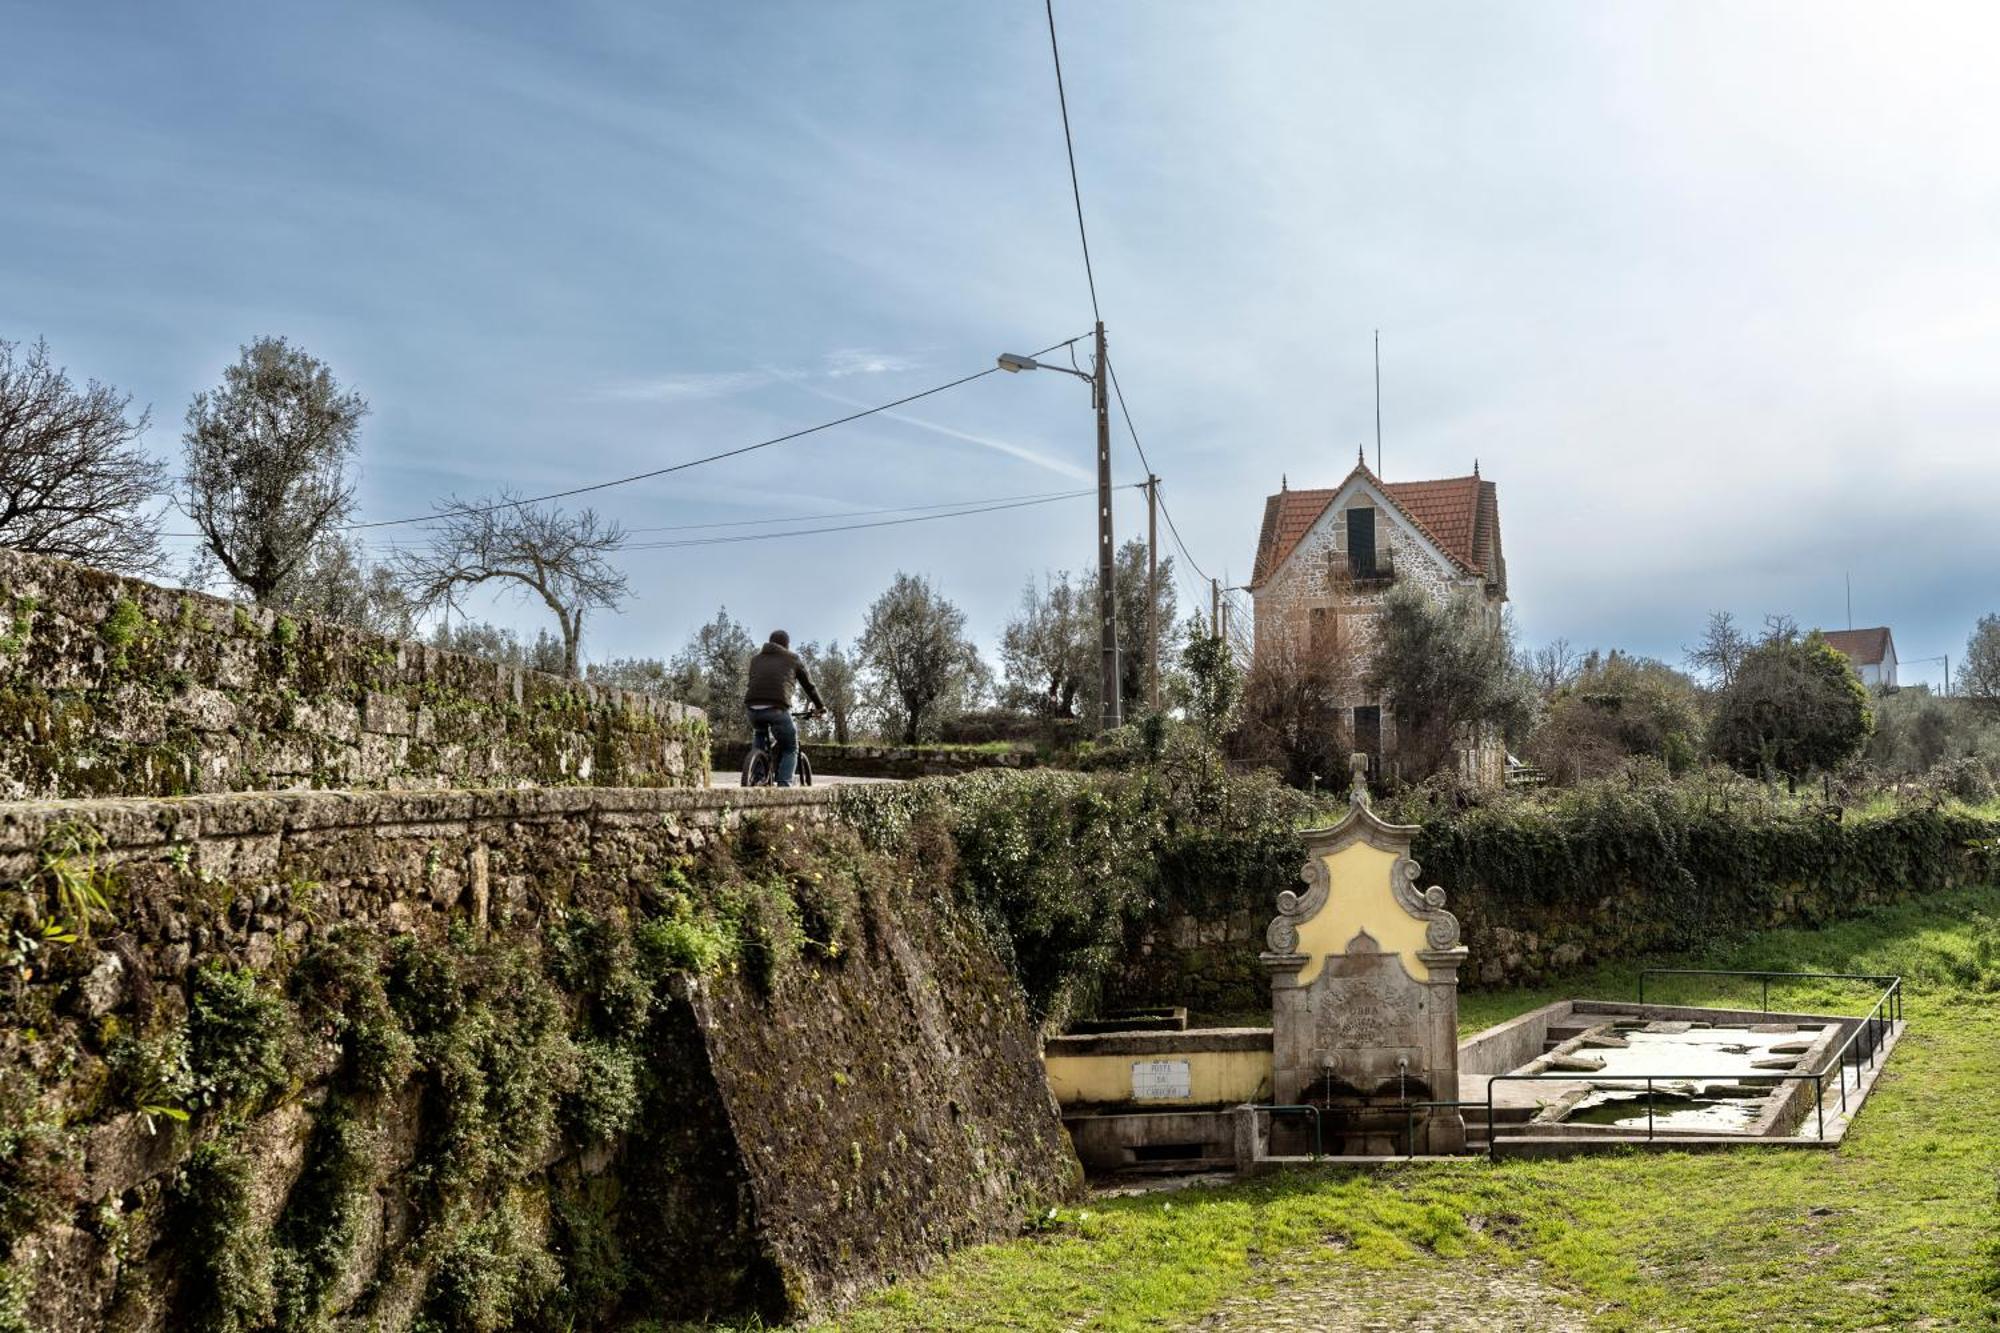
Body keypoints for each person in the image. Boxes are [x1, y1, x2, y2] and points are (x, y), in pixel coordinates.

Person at [744, 629, 825, 786]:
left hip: (752, 707)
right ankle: (784, 785)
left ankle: (757, 777)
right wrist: (820, 707)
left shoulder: (756, 659)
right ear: (787, 645)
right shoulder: (793, 659)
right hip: (777, 708)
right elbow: (810, 687)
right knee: (790, 748)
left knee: (760, 733)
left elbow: (754, 681)